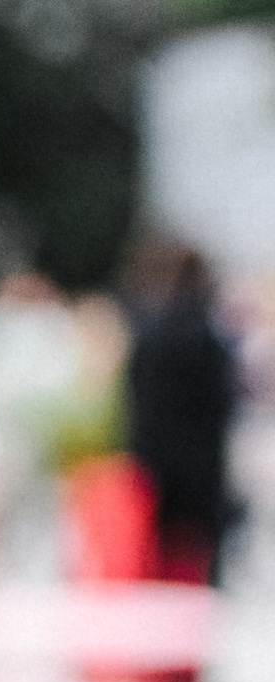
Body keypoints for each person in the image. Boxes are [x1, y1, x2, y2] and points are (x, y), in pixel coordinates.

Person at [126, 246, 240, 588]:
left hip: (155, 470)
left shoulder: (147, 339)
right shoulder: (210, 343)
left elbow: (136, 409)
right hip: (202, 475)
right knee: (199, 574)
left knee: (155, 575)